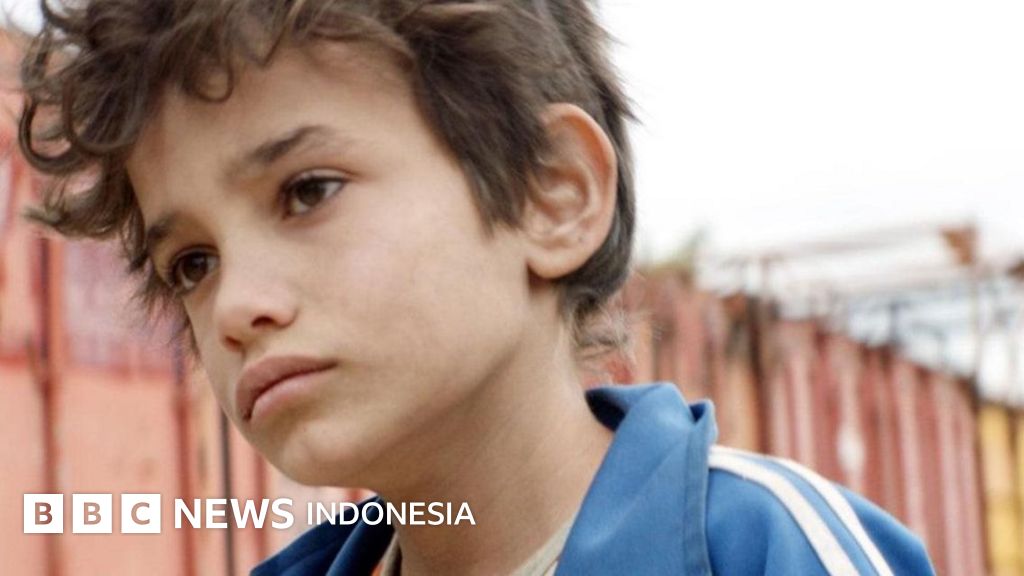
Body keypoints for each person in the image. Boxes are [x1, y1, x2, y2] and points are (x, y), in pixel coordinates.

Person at [18, 0, 935, 574]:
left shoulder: (767, 550)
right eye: (193, 263)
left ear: (552, 195)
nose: (234, 307)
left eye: (308, 191)